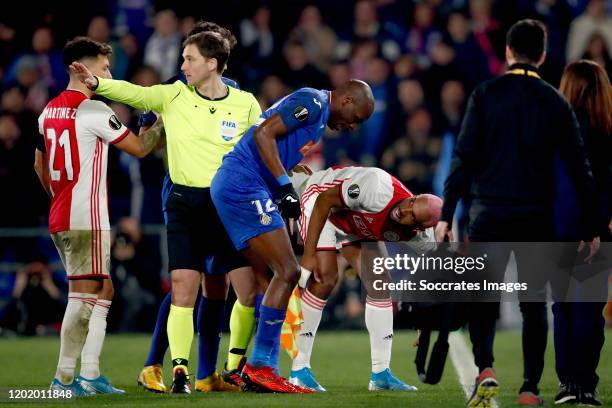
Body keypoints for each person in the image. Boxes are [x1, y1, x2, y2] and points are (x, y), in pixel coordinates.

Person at [70, 30, 262, 393]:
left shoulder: (244, 101)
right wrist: (97, 82)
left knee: (237, 289)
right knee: (184, 288)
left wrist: (283, 169)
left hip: (228, 206)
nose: (181, 66)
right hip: (185, 201)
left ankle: (221, 370)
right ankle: (175, 369)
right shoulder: (175, 93)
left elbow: (262, 142)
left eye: (189, 58)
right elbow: (136, 93)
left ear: (212, 62)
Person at [434, 20, 600, 407]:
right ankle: (529, 388)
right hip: (535, 217)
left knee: (483, 297)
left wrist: (447, 212)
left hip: (488, 213)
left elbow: (463, 158)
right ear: (542, 55)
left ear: (507, 51)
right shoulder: (554, 101)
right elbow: (580, 167)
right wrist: (592, 224)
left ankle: (486, 368)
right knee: (533, 304)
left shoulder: (485, 95)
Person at [210, 80, 374, 393]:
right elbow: (263, 134)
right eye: (357, 117)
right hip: (244, 185)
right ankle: (261, 366)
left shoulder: (319, 116)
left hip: (244, 184)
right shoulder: (313, 102)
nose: (352, 126)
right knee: (288, 271)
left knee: (266, 279)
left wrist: (292, 170)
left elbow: (274, 141)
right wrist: (284, 185)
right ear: (349, 98)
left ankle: (261, 368)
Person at [135, 21, 262, 394]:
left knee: (217, 285)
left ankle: (207, 373)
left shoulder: (234, 93)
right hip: (182, 190)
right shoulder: (180, 88)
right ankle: (154, 364)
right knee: (186, 284)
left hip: (220, 198)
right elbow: (152, 138)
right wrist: (153, 128)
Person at [33, 37, 163, 395]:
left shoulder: (48, 111)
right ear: (83, 68)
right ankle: (62, 380)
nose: (108, 74)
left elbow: (39, 162)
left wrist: (59, 196)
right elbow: (139, 148)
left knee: (104, 287)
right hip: (85, 218)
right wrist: (160, 123)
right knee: (83, 295)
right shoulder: (93, 109)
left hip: (64, 214)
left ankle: (90, 374)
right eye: (104, 68)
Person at [288, 165, 441, 392]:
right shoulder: (377, 188)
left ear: (419, 228)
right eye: (411, 203)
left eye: (412, 217)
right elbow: (325, 200)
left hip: (353, 221)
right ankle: (299, 370)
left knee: (380, 283)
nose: (405, 211)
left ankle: (381, 374)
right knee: (326, 277)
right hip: (320, 201)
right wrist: (309, 256)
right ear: (414, 197)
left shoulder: (423, 239)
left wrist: (423, 319)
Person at [552, 60, 612, 407]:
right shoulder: (607, 131)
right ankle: (585, 384)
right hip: (598, 231)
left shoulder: (557, 131)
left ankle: (569, 382)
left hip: (561, 229)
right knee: (589, 309)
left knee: (565, 308)